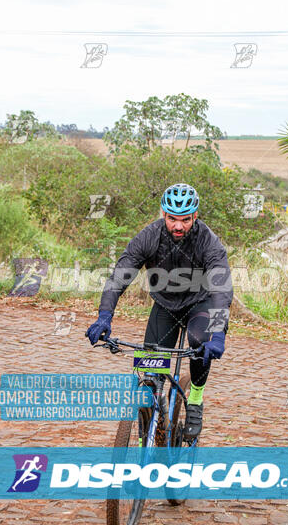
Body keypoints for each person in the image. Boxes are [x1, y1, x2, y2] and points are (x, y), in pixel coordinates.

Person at [86, 183, 233, 440]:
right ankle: (150, 427)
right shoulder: (149, 236)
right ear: (163, 214)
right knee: (151, 368)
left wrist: (218, 334)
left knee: (199, 342)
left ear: (195, 216)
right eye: (172, 219)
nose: (178, 226)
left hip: (201, 303)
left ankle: (195, 398)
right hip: (165, 305)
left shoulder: (208, 242)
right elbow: (119, 277)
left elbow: (222, 291)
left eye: (185, 220)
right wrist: (104, 316)